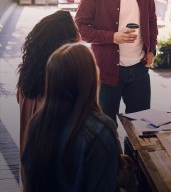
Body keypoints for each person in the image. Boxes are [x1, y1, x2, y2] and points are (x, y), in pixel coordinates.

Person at [75, 0, 158, 124]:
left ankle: (133, 156)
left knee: (142, 127)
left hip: (139, 69)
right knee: (105, 129)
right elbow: (81, 27)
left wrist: (152, 49)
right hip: (107, 71)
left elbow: (151, 20)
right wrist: (113, 37)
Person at [22, 43, 121, 191]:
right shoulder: (100, 130)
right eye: (95, 65)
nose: (99, 69)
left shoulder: (37, 122)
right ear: (88, 79)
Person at [17, 10, 80, 154]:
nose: (79, 34)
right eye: (75, 30)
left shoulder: (27, 76)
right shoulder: (62, 82)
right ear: (65, 42)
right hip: (52, 168)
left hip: (30, 167)